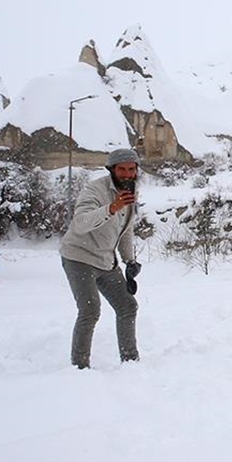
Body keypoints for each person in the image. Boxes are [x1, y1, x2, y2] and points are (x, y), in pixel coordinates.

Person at [59, 147, 142, 369]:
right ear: (112, 170)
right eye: (122, 169)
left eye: (131, 169)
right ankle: (79, 367)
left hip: (106, 260)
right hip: (79, 257)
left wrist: (129, 260)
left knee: (127, 306)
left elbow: (126, 229)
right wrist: (111, 208)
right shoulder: (94, 190)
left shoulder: (131, 191)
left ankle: (130, 361)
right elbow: (80, 224)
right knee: (90, 310)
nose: (127, 174)